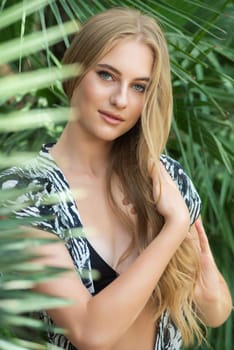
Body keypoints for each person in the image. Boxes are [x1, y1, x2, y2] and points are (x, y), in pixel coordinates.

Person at [0, 7, 232, 350]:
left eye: (139, 87)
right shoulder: (26, 189)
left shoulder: (163, 177)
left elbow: (215, 311)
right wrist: (174, 227)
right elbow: (90, 332)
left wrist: (203, 269)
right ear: (74, 71)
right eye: (107, 75)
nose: (121, 100)